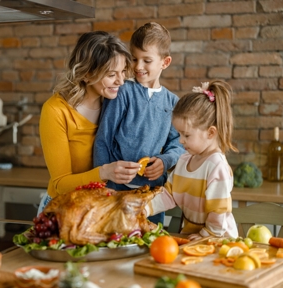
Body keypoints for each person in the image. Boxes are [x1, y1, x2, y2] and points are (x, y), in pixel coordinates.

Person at [37, 31, 142, 215]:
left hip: (100, 209)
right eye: (111, 74)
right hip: (63, 210)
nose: (121, 80)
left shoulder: (115, 103)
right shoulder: (56, 110)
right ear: (87, 74)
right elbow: (61, 184)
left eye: (123, 71)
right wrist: (105, 173)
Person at [93, 22, 185, 225]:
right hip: (116, 189)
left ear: (165, 62)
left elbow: (178, 144)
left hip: (152, 194)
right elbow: (104, 139)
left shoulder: (172, 103)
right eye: (134, 59)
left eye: (147, 60)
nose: (138, 66)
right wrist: (102, 184)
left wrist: (165, 161)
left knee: (150, 242)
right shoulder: (123, 92)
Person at [146, 80, 239, 240]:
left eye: (186, 135)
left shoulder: (217, 166)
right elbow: (169, 194)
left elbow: (219, 213)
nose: (180, 141)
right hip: (193, 237)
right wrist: (145, 209)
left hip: (218, 240)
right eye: (179, 134)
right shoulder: (184, 160)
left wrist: (206, 235)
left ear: (210, 133)